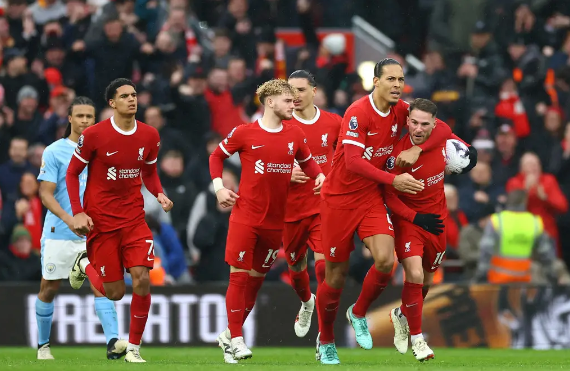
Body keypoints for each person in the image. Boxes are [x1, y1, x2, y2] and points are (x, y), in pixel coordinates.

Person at [316, 58, 460, 365]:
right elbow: (353, 162)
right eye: (391, 79)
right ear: (376, 81)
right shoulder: (357, 113)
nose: (397, 85)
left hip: (369, 197)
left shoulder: (402, 110)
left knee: (385, 260)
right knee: (336, 276)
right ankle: (326, 339)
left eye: (401, 79)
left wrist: (418, 148)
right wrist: (394, 179)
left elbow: (442, 127)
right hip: (339, 199)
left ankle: (358, 312)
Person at [209, 79, 325, 364]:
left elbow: (308, 162)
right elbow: (216, 156)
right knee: (238, 276)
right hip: (245, 217)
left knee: (255, 282)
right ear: (270, 102)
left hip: (276, 222)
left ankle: (228, 335)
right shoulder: (245, 133)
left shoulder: (295, 134)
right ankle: (237, 338)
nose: (293, 104)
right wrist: (219, 187)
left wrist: (319, 175)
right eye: (287, 100)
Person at [65, 78, 174, 363]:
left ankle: (135, 349)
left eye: (134, 94)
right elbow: (72, 173)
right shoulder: (94, 135)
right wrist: (78, 211)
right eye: (124, 96)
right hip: (101, 221)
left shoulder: (150, 135)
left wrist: (160, 194)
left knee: (142, 278)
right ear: (112, 103)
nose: (132, 99)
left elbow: (149, 172)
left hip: (134, 219)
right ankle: (84, 263)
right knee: (114, 293)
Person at [35, 96, 128, 360]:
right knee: (49, 286)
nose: (85, 121)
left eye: (89, 116)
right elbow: (46, 194)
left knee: (102, 285)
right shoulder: (54, 151)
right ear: (70, 119)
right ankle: (43, 346)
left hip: (96, 234)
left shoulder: (104, 150)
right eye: (80, 116)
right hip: (59, 232)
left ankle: (112, 343)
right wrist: (70, 219)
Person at [383, 98, 475, 362]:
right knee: (412, 272)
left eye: (425, 124)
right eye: (413, 122)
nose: (418, 129)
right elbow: (389, 198)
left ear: (434, 124)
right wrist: (415, 217)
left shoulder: (442, 144)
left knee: (426, 281)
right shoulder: (398, 156)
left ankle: (402, 314)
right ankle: (418, 339)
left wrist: (471, 154)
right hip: (409, 222)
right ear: (407, 120)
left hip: (437, 222)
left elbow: (457, 141)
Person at [283, 70, 341, 338]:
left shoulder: (334, 123)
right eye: (290, 91)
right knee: (296, 269)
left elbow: (347, 159)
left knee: (323, 267)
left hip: (323, 207)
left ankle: (324, 334)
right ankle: (307, 302)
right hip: (291, 209)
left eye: (301, 90)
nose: (295, 96)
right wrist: (285, 172)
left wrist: (331, 180)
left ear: (314, 91)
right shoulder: (279, 125)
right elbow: (260, 167)